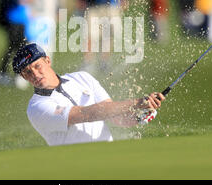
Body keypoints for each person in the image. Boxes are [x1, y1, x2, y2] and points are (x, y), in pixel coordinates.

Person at [13, 43, 164, 146]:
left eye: (37, 66)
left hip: (109, 155)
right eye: (27, 72)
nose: (35, 74)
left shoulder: (82, 77)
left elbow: (116, 118)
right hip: (77, 166)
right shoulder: (37, 107)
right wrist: (136, 103)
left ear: (47, 61)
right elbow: (86, 114)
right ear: (24, 77)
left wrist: (139, 115)